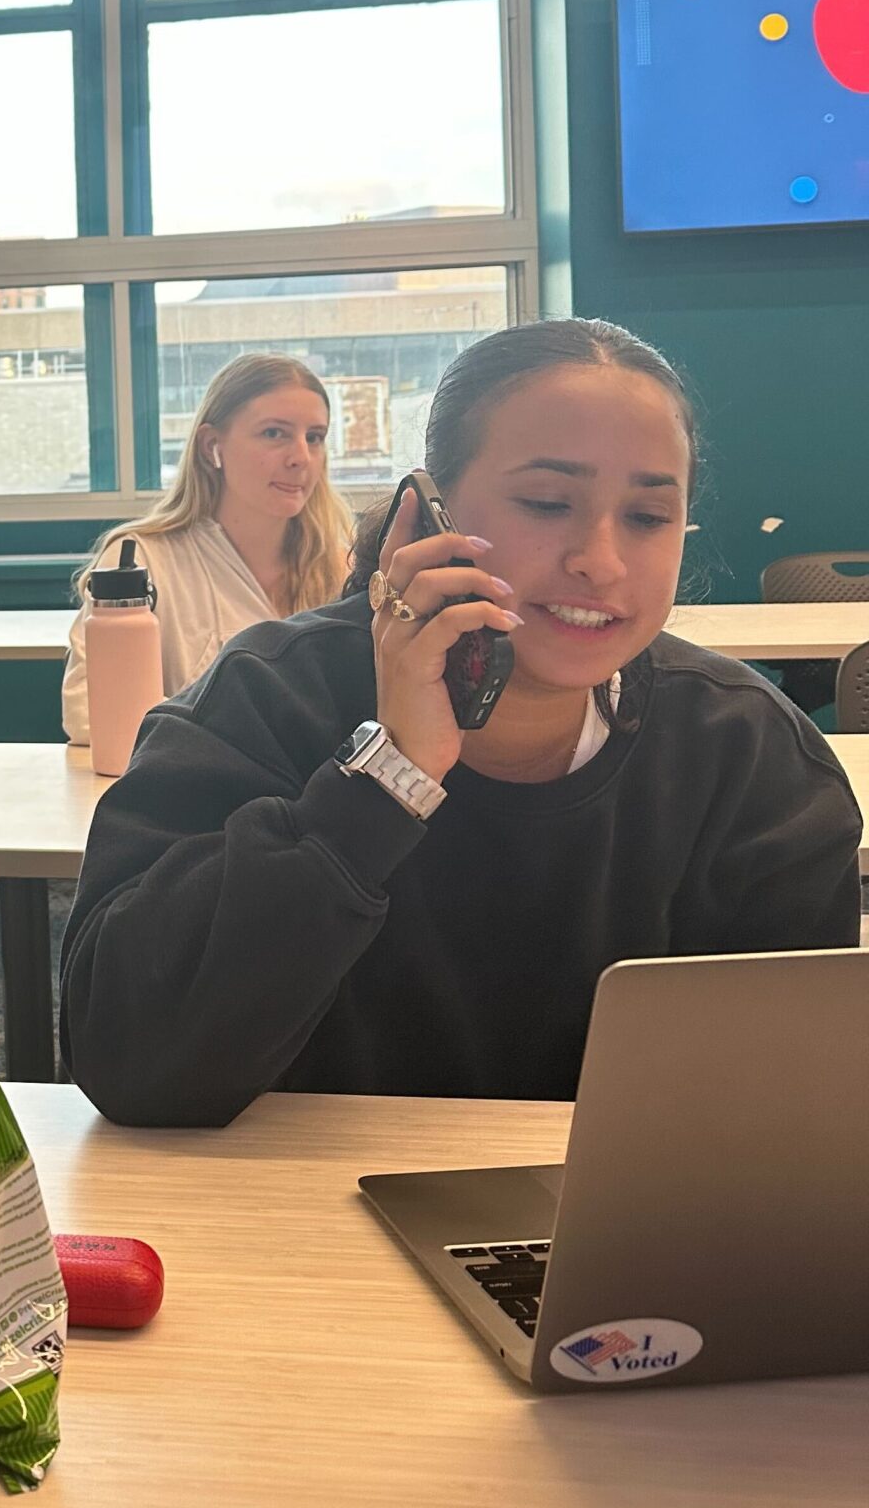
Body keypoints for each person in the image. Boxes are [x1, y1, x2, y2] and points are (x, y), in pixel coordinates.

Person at [60, 319, 862, 1128]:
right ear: (424, 517)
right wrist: (390, 775)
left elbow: (784, 1121)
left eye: (650, 517)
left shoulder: (749, 757)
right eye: (548, 503)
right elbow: (131, 1064)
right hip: (294, 1237)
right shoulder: (264, 701)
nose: (602, 560)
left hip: (623, 1244)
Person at [62, 354, 352, 746]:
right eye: (274, 433)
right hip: (181, 795)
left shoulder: (341, 567)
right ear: (212, 445)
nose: (301, 457)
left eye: (314, 437)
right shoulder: (143, 561)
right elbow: (89, 713)